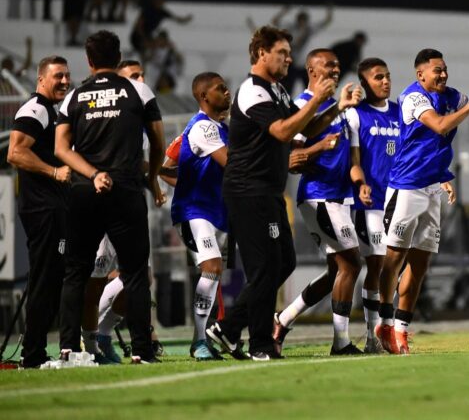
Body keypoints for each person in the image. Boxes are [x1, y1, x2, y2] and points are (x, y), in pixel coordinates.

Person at [205, 25, 361, 361]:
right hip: (248, 189)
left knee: (284, 262)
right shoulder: (252, 90)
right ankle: (259, 342)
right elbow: (281, 131)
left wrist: (336, 107)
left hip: (268, 191)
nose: (289, 59)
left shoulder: (276, 91)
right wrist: (318, 98)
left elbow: (304, 126)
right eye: (283, 53)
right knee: (264, 268)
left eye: (290, 54)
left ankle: (229, 329)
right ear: (261, 53)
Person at [55, 30, 165, 364]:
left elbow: (60, 149)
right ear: (118, 58)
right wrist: (151, 175)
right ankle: (143, 351)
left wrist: (91, 174)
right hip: (125, 190)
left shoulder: (74, 97)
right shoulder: (138, 91)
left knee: (76, 273)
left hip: (85, 192)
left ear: (88, 61)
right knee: (134, 274)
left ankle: (69, 349)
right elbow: (158, 140)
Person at [376, 48, 469, 355]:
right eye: (437, 70)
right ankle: (384, 322)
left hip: (432, 189)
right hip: (406, 188)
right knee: (393, 259)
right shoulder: (413, 97)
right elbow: (441, 126)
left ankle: (401, 330)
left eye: (445, 69)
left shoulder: (451, 96)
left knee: (420, 264)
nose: (443, 74)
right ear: (421, 75)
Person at [273, 49, 364, 356]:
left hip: (340, 198)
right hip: (318, 196)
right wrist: (320, 147)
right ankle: (341, 343)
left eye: (338, 67)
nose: (336, 71)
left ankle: (282, 320)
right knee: (352, 263)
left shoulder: (341, 108)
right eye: (329, 67)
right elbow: (292, 160)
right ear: (312, 71)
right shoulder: (301, 105)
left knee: (335, 273)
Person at [7, 56, 71, 369]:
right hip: (41, 207)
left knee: (49, 278)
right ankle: (33, 354)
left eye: (67, 76)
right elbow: (15, 152)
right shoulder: (35, 108)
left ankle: (36, 351)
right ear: (41, 79)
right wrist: (54, 171)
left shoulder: (49, 111)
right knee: (46, 278)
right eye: (58, 76)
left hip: (49, 207)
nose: (64, 81)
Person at [171, 72, 232, 359]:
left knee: (215, 275)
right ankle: (198, 343)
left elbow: (169, 166)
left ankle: (204, 338)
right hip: (195, 210)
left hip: (217, 211)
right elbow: (232, 165)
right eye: (221, 88)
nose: (228, 91)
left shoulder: (222, 128)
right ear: (204, 96)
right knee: (212, 267)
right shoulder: (203, 128)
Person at [348, 57, 400, 352]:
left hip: (398, 203)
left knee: (392, 268)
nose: (385, 82)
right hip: (368, 204)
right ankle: (373, 336)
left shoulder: (400, 113)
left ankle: (386, 330)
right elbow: (354, 160)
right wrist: (360, 184)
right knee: (378, 266)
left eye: (387, 76)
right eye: (378, 77)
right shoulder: (357, 116)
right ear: (365, 82)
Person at [264, 3, 333, 97]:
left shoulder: (309, 29)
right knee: (287, 89)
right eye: (301, 20)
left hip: (305, 65)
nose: (302, 23)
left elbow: (326, 21)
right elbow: (275, 21)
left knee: (312, 90)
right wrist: (284, 11)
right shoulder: (291, 28)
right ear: (298, 20)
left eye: (304, 20)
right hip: (292, 63)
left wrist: (329, 9)